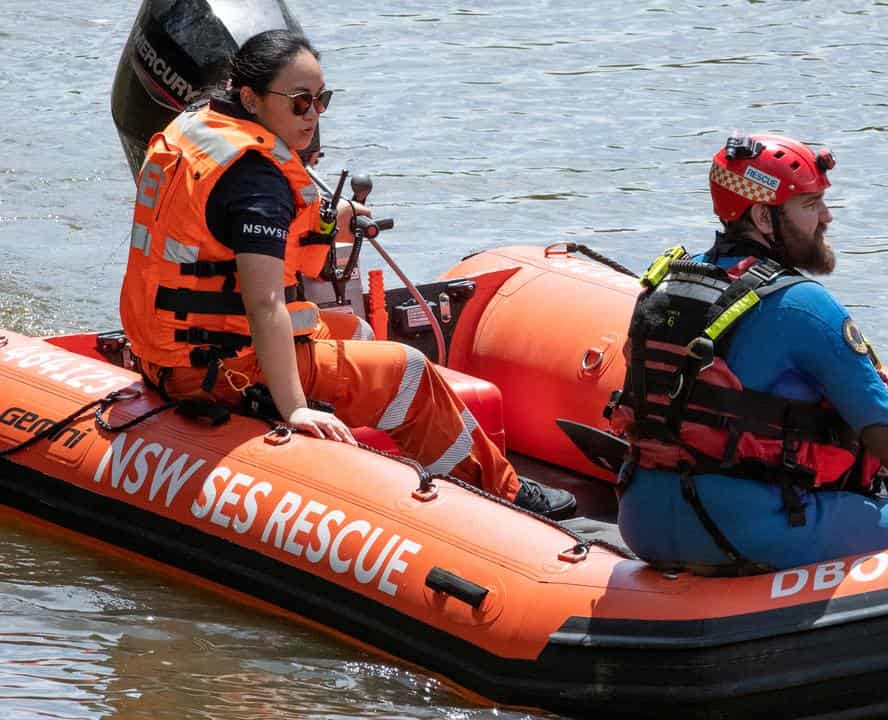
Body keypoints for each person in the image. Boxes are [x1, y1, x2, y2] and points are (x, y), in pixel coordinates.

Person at [118, 30, 574, 519]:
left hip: (174, 350)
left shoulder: (200, 128)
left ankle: (347, 465)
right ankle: (501, 495)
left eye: (320, 101)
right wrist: (293, 407)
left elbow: (226, 229)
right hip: (221, 370)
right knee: (408, 372)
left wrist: (335, 218)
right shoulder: (255, 180)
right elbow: (264, 304)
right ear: (250, 97)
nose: (313, 116)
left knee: (352, 331)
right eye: (299, 102)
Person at [612, 133, 888, 575]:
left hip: (642, 525)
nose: (827, 218)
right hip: (750, 531)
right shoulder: (802, 304)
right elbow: (884, 425)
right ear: (763, 216)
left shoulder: (663, 284)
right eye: (810, 206)